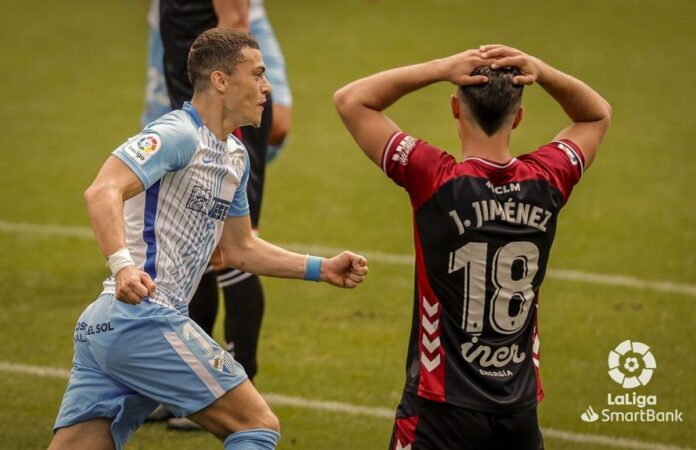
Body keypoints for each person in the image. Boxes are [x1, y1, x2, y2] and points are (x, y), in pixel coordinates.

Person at [49, 28, 368, 450]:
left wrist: (321, 268)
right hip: (143, 317)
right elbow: (103, 190)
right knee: (256, 426)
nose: (266, 87)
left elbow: (240, 249)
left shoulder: (235, 157)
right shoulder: (177, 134)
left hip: (108, 328)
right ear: (220, 81)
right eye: (256, 74)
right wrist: (122, 265)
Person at [334, 45, 611, 449]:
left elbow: (352, 99)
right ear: (518, 117)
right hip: (517, 412)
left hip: (440, 408)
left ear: (454, 108)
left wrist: (442, 67)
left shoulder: (434, 178)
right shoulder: (548, 178)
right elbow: (596, 114)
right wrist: (541, 70)